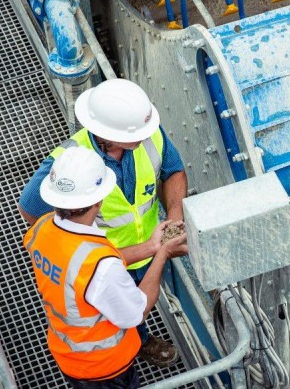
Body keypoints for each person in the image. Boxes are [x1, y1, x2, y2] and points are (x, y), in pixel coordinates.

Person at [19, 78, 187, 367]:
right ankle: (137, 342)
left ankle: (139, 340)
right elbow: (31, 209)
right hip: (103, 264)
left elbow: (174, 171)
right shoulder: (71, 163)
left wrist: (174, 218)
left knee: (130, 307)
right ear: (106, 133)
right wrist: (77, 245)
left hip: (147, 247)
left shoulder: (147, 133)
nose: (146, 135)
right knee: (117, 311)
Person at [23, 146, 188, 388]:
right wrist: (163, 253)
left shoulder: (43, 228)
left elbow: (86, 265)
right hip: (104, 369)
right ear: (98, 201)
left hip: (68, 354)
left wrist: (151, 247)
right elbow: (136, 311)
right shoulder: (100, 264)